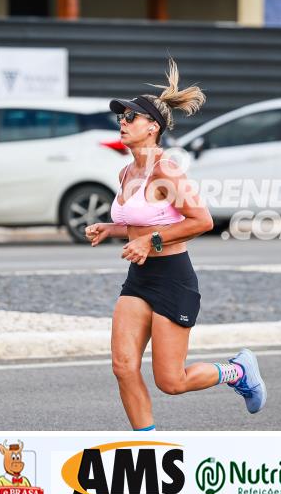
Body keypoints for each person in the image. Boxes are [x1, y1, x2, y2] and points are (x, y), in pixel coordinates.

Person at [84, 58, 266, 431]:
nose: (122, 122)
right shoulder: (126, 172)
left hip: (172, 278)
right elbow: (146, 220)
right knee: (123, 366)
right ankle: (147, 445)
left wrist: (149, 242)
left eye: (130, 117)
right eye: (120, 117)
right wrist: (110, 228)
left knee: (171, 381)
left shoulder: (165, 170)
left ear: (153, 126)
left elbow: (201, 220)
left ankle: (237, 371)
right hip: (139, 278)